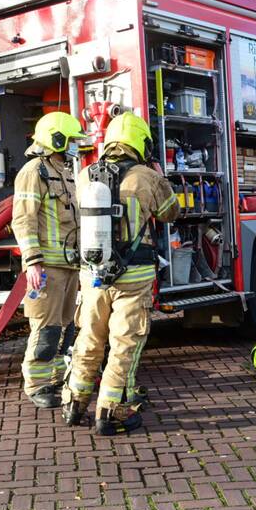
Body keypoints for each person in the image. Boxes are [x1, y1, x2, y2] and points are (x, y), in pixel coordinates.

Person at [62, 111, 180, 436]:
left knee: (89, 336)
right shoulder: (146, 176)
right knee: (124, 342)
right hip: (134, 274)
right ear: (140, 143)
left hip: (93, 273)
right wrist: (158, 175)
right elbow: (171, 212)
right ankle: (112, 411)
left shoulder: (86, 175)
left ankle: (74, 402)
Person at [11, 111, 85, 409]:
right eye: (71, 141)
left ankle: (55, 379)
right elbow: (23, 220)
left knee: (65, 327)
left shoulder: (65, 172)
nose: (75, 146)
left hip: (68, 265)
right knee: (46, 328)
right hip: (46, 267)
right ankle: (37, 384)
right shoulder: (33, 172)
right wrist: (32, 262)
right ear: (56, 139)